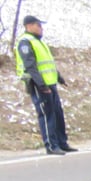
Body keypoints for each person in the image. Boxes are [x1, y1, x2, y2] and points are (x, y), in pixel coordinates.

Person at [14, 15, 75, 155]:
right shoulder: (25, 42)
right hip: (38, 84)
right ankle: (51, 146)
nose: (41, 28)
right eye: (38, 25)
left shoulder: (39, 42)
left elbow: (48, 64)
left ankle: (62, 143)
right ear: (29, 26)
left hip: (50, 83)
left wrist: (60, 78)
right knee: (47, 115)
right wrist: (41, 85)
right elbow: (30, 66)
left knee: (57, 113)